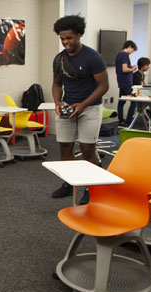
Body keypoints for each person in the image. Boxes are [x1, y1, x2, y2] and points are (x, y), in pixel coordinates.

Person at [51, 15, 109, 204]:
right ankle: (70, 183)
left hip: (90, 108)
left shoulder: (93, 57)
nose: (65, 42)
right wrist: (58, 102)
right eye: (62, 39)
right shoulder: (59, 59)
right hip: (68, 107)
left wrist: (82, 105)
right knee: (65, 147)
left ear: (79, 35)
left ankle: (93, 187)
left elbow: (103, 86)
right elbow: (56, 84)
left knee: (86, 149)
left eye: (69, 38)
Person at [115, 41, 138, 127]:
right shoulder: (124, 55)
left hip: (121, 82)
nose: (132, 52)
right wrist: (133, 68)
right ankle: (128, 121)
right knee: (134, 102)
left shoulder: (119, 55)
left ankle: (121, 120)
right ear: (129, 46)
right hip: (126, 82)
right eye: (133, 50)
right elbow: (124, 69)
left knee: (121, 101)